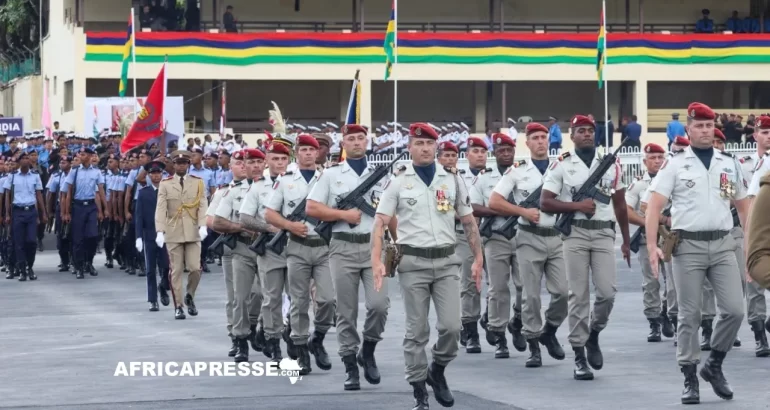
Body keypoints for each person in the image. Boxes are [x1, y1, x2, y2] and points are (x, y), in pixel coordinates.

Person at [372, 122, 484, 410]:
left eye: (429, 144)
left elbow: (468, 221)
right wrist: (376, 261)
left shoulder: (451, 180)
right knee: (416, 331)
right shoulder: (398, 182)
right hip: (413, 264)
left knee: (450, 328)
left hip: (447, 263)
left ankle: (437, 369)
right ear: (410, 148)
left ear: (436, 147)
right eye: (419, 144)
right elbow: (380, 221)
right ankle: (419, 389)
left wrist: (478, 258)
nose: (424, 148)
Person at [646, 102, 749, 404]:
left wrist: (750, 246)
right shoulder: (675, 164)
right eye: (699, 126)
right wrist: (652, 246)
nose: (704, 131)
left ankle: (714, 364)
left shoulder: (727, 163)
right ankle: (690, 377)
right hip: (687, 247)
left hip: (722, 244)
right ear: (688, 128)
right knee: (689, 316)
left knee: (734, 310)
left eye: (708, 126)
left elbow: (742, 207)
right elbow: (653, 206)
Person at [540, 114, 631, 381]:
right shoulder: (562, 165)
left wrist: (626, 240)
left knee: (607, 293)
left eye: (590, 130)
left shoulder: (611, 164)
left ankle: (594, 333)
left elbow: (621, 205)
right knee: (578, 296)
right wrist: (575, 206)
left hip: (603, 233)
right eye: (581, 130)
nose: (587, 134)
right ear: (572, 135)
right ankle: (579, 354)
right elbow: (545, 202)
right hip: (576, 234)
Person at [306, 124, 390, 391]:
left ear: (368, 141)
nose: (356, 142)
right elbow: (312, 208)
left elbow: (392, 211)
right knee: (345, 310)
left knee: (379, 305)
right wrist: (343, 215)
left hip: (373, 246)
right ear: (343, 143)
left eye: (361, 138)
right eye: (350, 139)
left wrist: (400, 242)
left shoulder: (381, 175)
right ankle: (350, 364)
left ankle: (368, 349)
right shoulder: (331, 175)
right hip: (342, 247)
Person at [488, 122, 568, 368]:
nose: (541, 141)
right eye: (535, 137)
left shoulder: (563, 167)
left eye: (544, 137)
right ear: (528, 142)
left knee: (564, 293)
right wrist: (522, 210)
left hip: (556, 236)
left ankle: (549, 329)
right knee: (530, 295)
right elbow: (494, 201)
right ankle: (533, 344)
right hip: (528, 237)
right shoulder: (517, 170)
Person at [264, 134, 335, 376]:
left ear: (317, 154)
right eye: (302, 150)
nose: (307, 154)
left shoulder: (329, 178)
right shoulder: (285, 181)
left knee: (327, 299)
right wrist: (289, 225)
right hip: (296, 247)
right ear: (297, 153)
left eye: (311, 150)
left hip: (324, 247)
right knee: (299, 301)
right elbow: (270, 213)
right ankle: (301, 347)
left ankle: (319, 336)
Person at [470, 133, 526, 358]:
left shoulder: (525, 174)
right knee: (498, 288)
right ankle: (499, 334)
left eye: (509, 150)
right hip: (495, 237)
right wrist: (500, 209)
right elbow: (473, 206)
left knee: (525, 286)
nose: (505, 154)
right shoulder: (484, 178)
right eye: (501, 150)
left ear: (514, 152)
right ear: (494, 153)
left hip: (523, 236)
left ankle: (518, 321)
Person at [239, 140, 291, 365]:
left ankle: (297, 341)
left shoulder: (298, 183)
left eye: (283, 159)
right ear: (266, 161)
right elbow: (245, 218)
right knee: (271, 298)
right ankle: (273, 340)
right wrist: (270, 227)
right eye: (275, 159)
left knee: (299, 299)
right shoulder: (258, 187)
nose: (279, 163)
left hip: (296, 245)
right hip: (270, 246)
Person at [214, 149, 265, 362]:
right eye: (246, 162)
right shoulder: (230, 192)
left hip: (267, 248)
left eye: (256, 162)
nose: (249, 166)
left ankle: (250, 325)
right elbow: (215, 222)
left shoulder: (273, 188)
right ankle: (240, 338)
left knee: (262, 294)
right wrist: (241, 227)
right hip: (241, 248)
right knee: (239, 297)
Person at [624, 143, 674, 342]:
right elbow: (627, 211)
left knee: (672, 282)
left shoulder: (672, 179)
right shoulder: (638, 184)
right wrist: (650, 222)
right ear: (645, 162)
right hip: (647, 240)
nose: (657, 161)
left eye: (660, 157)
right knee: (651, 282)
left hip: (671, 238)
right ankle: (654, 321)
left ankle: (668, 312)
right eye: (652, 158)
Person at [155, 150, 209, 320]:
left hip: (193, 230)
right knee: (176, 270)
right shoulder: (165, 184)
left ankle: (190, 295)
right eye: (178, 163)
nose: (180, 166)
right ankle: (178, 305)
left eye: (184, 163)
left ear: (188, 165)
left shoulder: (198, 182)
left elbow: (202, 204)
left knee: (195, 268)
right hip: (173, 231)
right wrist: (159, 230)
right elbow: (161, 208)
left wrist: (203, 225)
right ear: (173, 165)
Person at [737, 115, 770, 355]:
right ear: (755, 135)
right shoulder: (741, 163)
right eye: (765, 132)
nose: (769, 137)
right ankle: (759, 333)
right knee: (754, 284)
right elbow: (732, 194)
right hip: (749, 226)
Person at [456, 137, 488, 354]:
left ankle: (492, 318)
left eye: (483, 152)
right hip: (466, 236)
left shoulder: (497, 176)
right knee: (471, 284)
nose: (479, 155)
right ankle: (471, 330)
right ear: (467, 155)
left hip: (493, 234)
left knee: (499, 284)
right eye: (475, 151)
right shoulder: (458, 178)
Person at [63, 147, 108, 279]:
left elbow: (100, 191)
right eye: (80, 155)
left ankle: (89, 262)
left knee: (92, 237)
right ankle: (79, 267)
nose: (80, 157)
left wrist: (104, 209)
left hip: (91, 207)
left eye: (83, 155)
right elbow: (68, 192)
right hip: (77, 207)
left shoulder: (97, 172)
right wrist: (66, 212)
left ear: (89, 156)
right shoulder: (74, 171)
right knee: (78, 239)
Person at [4, 152, 47, 281]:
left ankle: (30, 267)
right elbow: (7, 195)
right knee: (19, 243)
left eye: (27, 158)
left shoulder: (35, 176)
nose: (25, 160)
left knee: (31, 241)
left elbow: (39, 195)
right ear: (18, 162)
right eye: (22, 158)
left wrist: (43, 212)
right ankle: (22, 269)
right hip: (17, 211)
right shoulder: (12, 177)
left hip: (31, 212)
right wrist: (7, 213)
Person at [135, 160, 170, 312]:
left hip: (167, 234)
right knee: (150, 269)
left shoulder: (169, 190)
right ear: (148, 175)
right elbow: (139, 216)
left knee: (167, 267)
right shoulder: (143, 193)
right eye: (153, 173)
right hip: (149, 234)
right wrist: (138, 237)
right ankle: (153, 300)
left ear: (162, 174)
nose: (156, 176)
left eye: (158, 173)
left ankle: (163, 287)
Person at [46, 155, 74, 272]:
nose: (61, 164)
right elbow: (50, 194)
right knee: (61, 235)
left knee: (74, 235)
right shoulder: (56, 176)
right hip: (59, 208)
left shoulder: (75, 175)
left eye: (64, 162)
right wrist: (49, 212)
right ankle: (64, 261)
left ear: (70, 164)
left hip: (74, 208)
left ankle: (74, 260)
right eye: (61, 162)